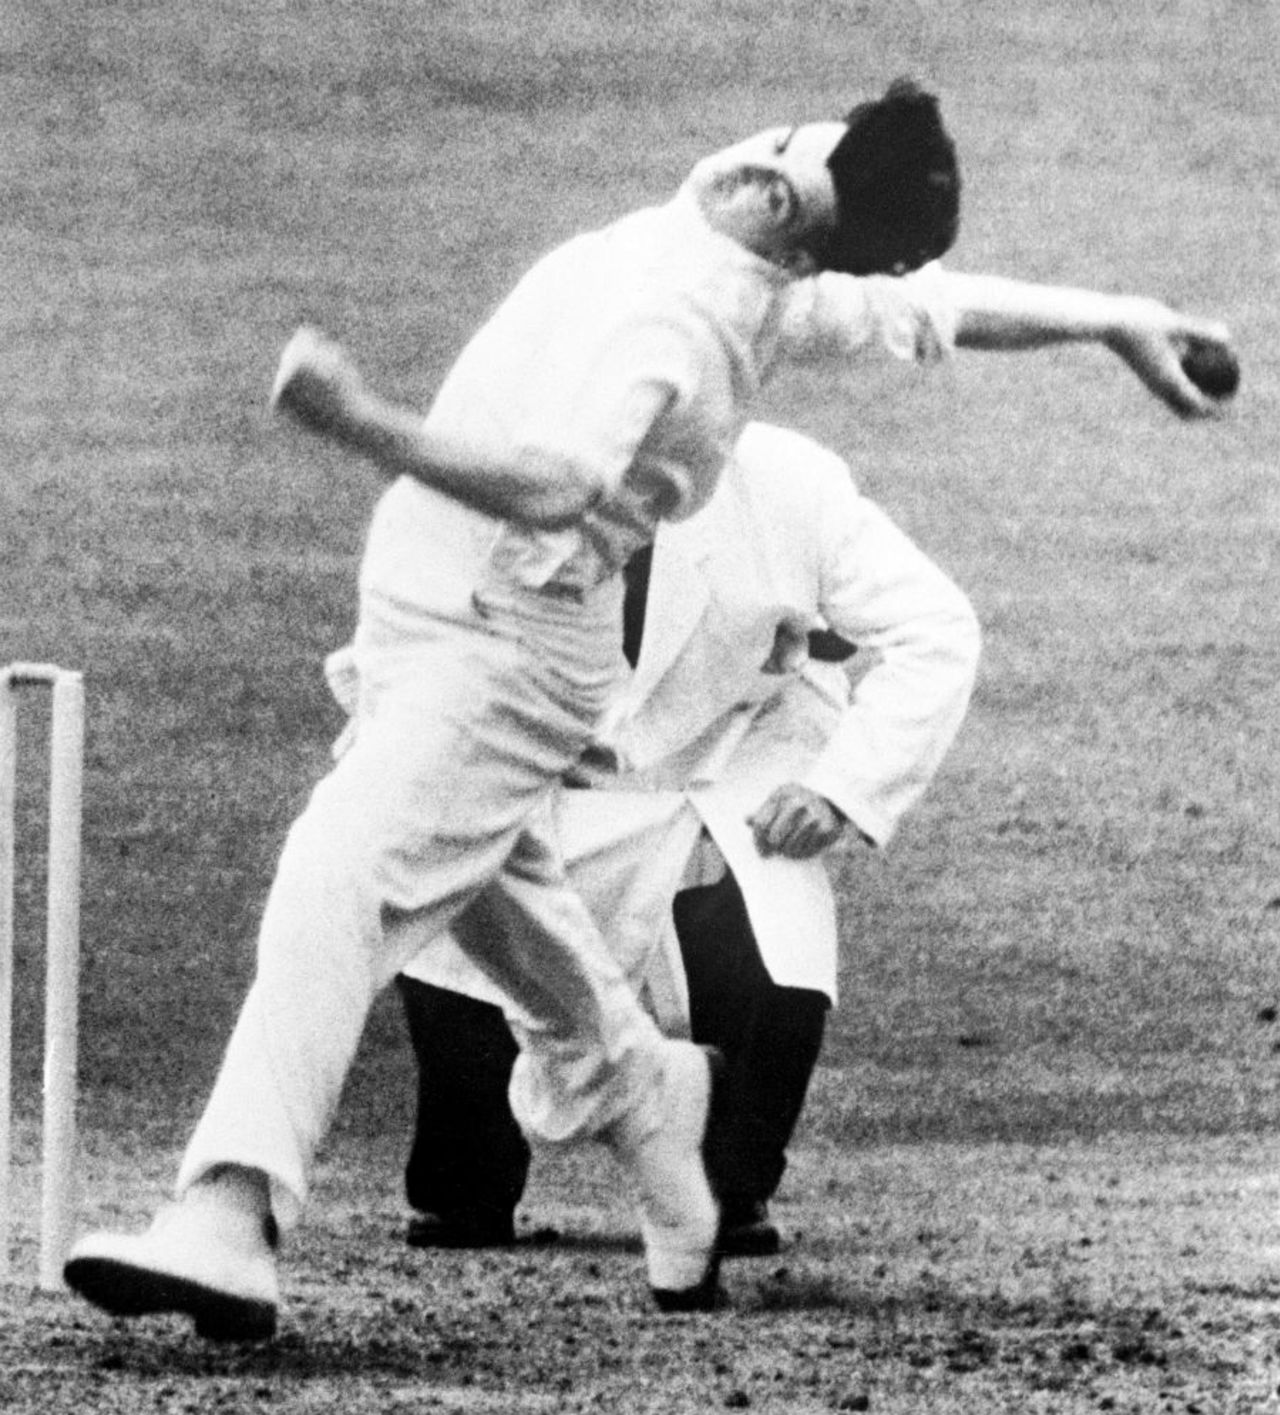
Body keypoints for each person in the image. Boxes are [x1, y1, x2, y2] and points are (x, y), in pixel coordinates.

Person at [63, 78, 1233, 1342]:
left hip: (499, 648)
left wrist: (362, 421)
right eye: (790, 154)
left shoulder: (692, 318)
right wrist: (1120, 317)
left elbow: (559, 482)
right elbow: (942, 306)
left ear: (797, 248)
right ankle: (649, 1097)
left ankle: (229, 1210)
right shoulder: (753, 224)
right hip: (424, 616)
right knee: (512, 920)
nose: (756, 178)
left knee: (335, 869)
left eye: (789, 199)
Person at [386, 418, 980, 1258]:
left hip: (720, 768)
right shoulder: (485, 469)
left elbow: (937, 627)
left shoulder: (786, 480)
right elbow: (407, 655)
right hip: (534, 773)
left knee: (776, 951)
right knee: (450, 920)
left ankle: (728, 1178)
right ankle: (466, 1178)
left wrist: (840, 787)